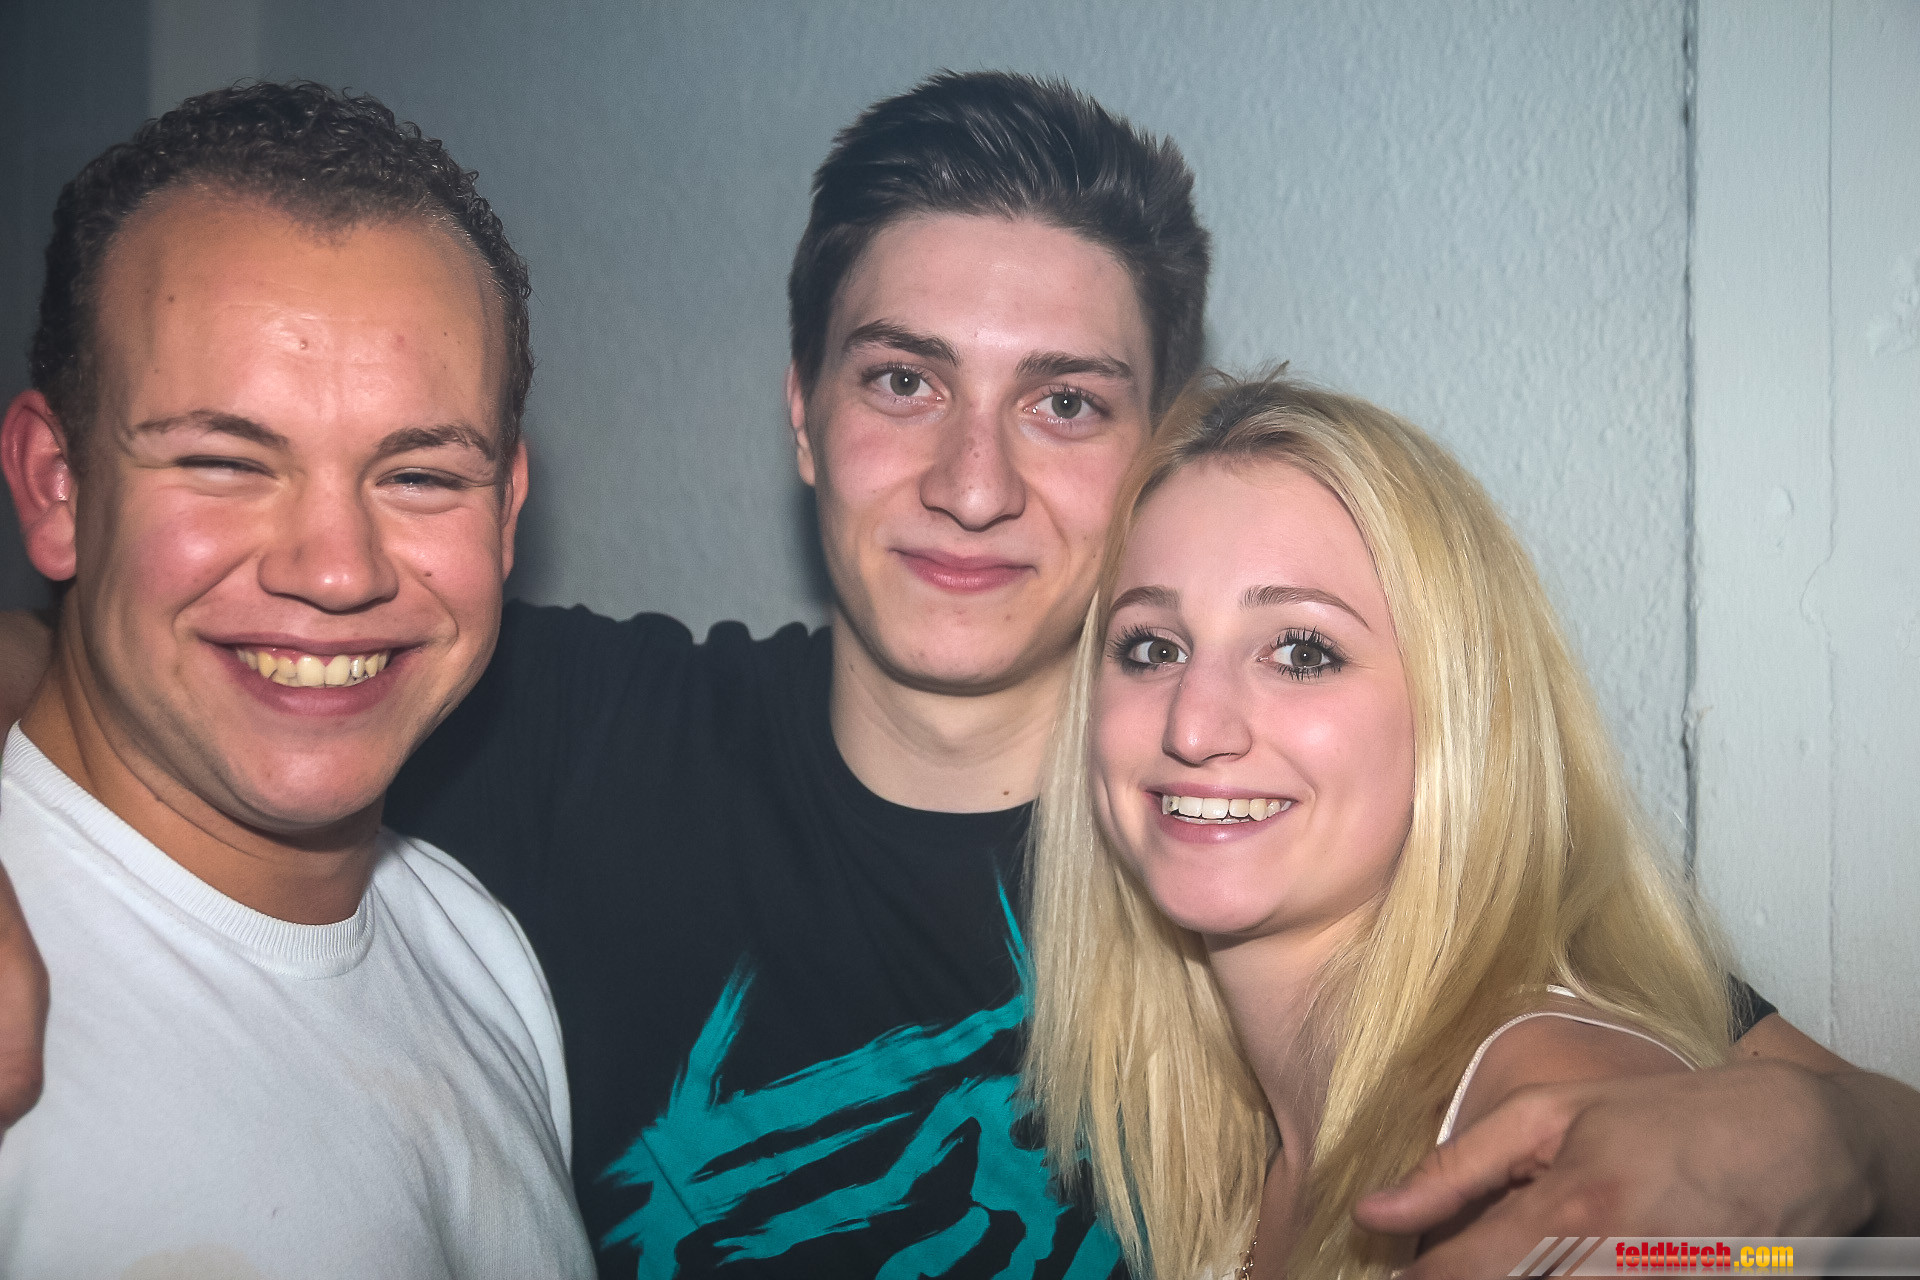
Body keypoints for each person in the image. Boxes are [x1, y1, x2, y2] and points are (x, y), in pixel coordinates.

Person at [0, 70, 1914, 1280]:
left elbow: (1762, 1119)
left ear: (1163, 441)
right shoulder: (541, 726)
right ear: (804, 417)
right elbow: (194, 657)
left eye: (1065, 402)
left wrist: (1815, 1144)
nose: (974, 481)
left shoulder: (1282, 841)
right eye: (904, 379)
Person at [0, 83, 593, 1277]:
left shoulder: (474, 942)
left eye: (420, 476)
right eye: (225, 461)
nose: (336, 570)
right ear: (58, 486)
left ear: (507, 510)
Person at [1026, 374, 1750, 1278]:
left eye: (1302, 651)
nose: (1193, 727)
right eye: (1152, 647)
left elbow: (1746, 1252)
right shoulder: (1234, 1141)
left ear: (1459, 714)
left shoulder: (1550, 1128)